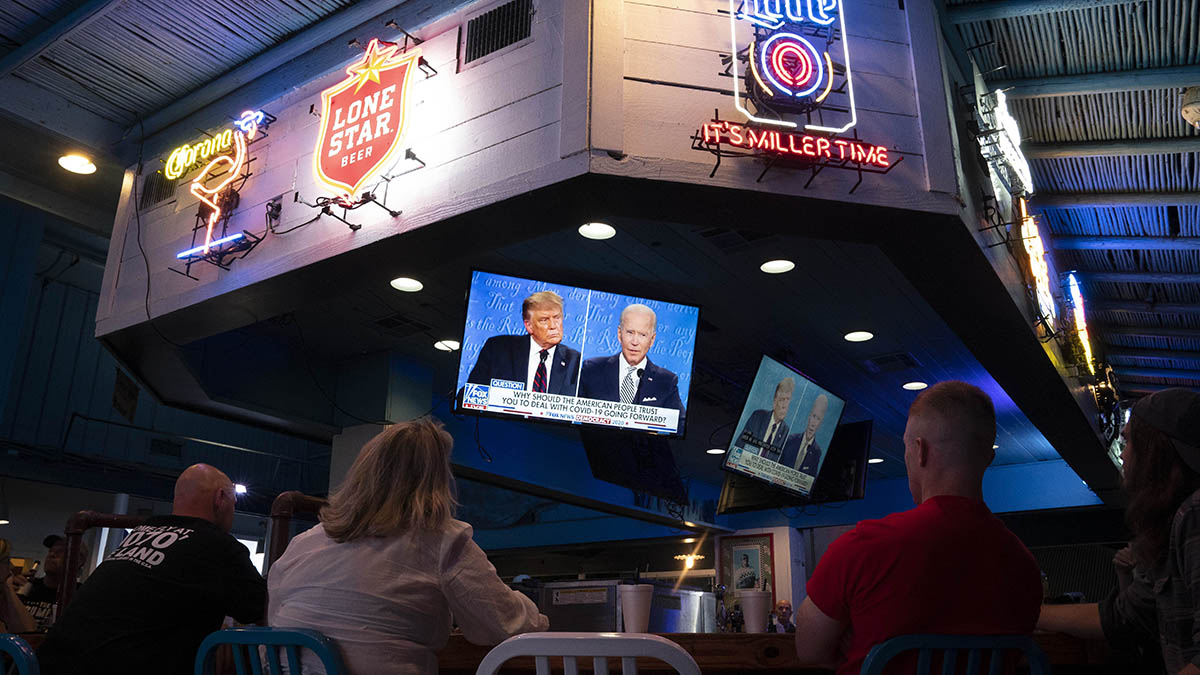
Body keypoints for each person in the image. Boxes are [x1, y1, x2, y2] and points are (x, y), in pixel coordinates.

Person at [794, 381, 1041, 674]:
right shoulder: (1024, 567)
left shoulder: (864, 545)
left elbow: (809, 651)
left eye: (906, 450)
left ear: (920, 450)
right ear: (988, 458)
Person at [268, 418, 548, 674]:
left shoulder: (302, 543)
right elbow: (505, 624)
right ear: (437, 480)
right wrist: (541, 617)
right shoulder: (443, 540)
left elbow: (275, 620)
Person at [37, 464, 266, 675]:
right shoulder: (218, 543)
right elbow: (259, 607)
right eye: (234, 505)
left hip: (45, 665)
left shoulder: (140, 532)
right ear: (221, 498)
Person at [1038, 388, 1200, 673]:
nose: (1123, 455)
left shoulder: (1195, 514)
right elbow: (1123, 616)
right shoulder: (1172, 524)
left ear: (1155, 451)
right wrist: (1031, 615)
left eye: (1128, 442)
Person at [466, 290, 582, 395]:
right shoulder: (498, 349)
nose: (553, 326)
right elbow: (470, 395)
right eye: (544, 320)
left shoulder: (574, 360)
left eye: (557, 318)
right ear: (529, 326)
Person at [578, 304, 684, 413]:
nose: (635, 342)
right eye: (630, 332)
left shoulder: (666, 381)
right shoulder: (592, 369)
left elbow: (680, 424)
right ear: (620, 334)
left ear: (652, 340)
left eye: (642, 335)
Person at [18, 535, 87, 631]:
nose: (51, 555)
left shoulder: (82, 596)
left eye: (60, 552)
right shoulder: (27, 586)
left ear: (78, 560)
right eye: (50, 551)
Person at [739, 378, 793, 461]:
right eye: (782, 400)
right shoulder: (758, 416)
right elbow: (740, 445)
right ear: (774, 402)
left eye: (788, 400)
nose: (784, 406)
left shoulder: (785, 430)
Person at [780, 394, 828, 474]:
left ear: (820, 424)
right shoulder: (790, 440)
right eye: (813, 416)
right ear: (809, 417)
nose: (813, 423)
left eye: (818, 419)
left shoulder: (817, 452)